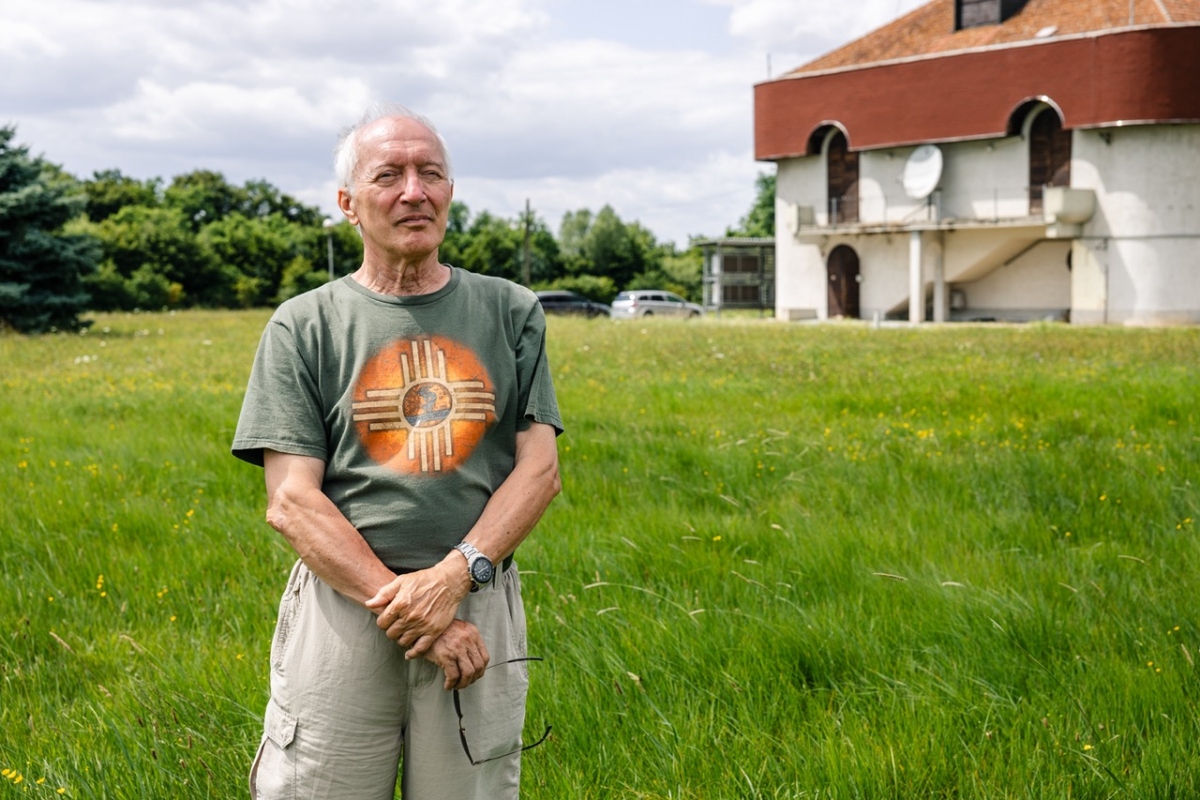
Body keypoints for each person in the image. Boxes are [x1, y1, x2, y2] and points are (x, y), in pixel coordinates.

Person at [231, 102, 563, 799]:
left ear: (449, 193)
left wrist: (451, 582)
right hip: (344, 609)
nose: (415, 190)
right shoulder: (303, 326)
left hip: (478, 598)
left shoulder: (511, 311)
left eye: (431, 173)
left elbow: (539, 471)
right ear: (349, 204)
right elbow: (291, 500)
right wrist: (417, 611)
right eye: (390, 175)